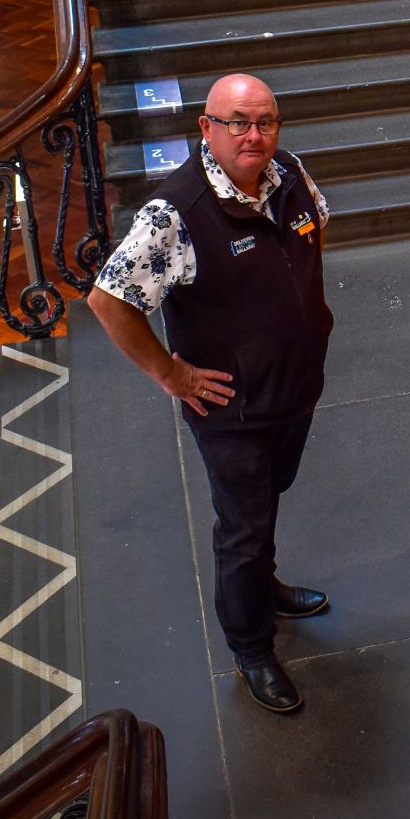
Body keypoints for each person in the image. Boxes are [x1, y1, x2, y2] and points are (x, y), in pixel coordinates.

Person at [88, 73, 334, 715]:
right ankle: (252, 648)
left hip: (294, 389)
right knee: (243, 528)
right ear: (206, 128)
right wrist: (171, 373)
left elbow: (313, 240)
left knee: (267, 499)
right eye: (237, 122)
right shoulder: (174, 213)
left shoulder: (290, 174)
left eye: (265, 122)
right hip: (234, 411)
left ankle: (265, 587)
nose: (254, 136)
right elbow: (108, 300)